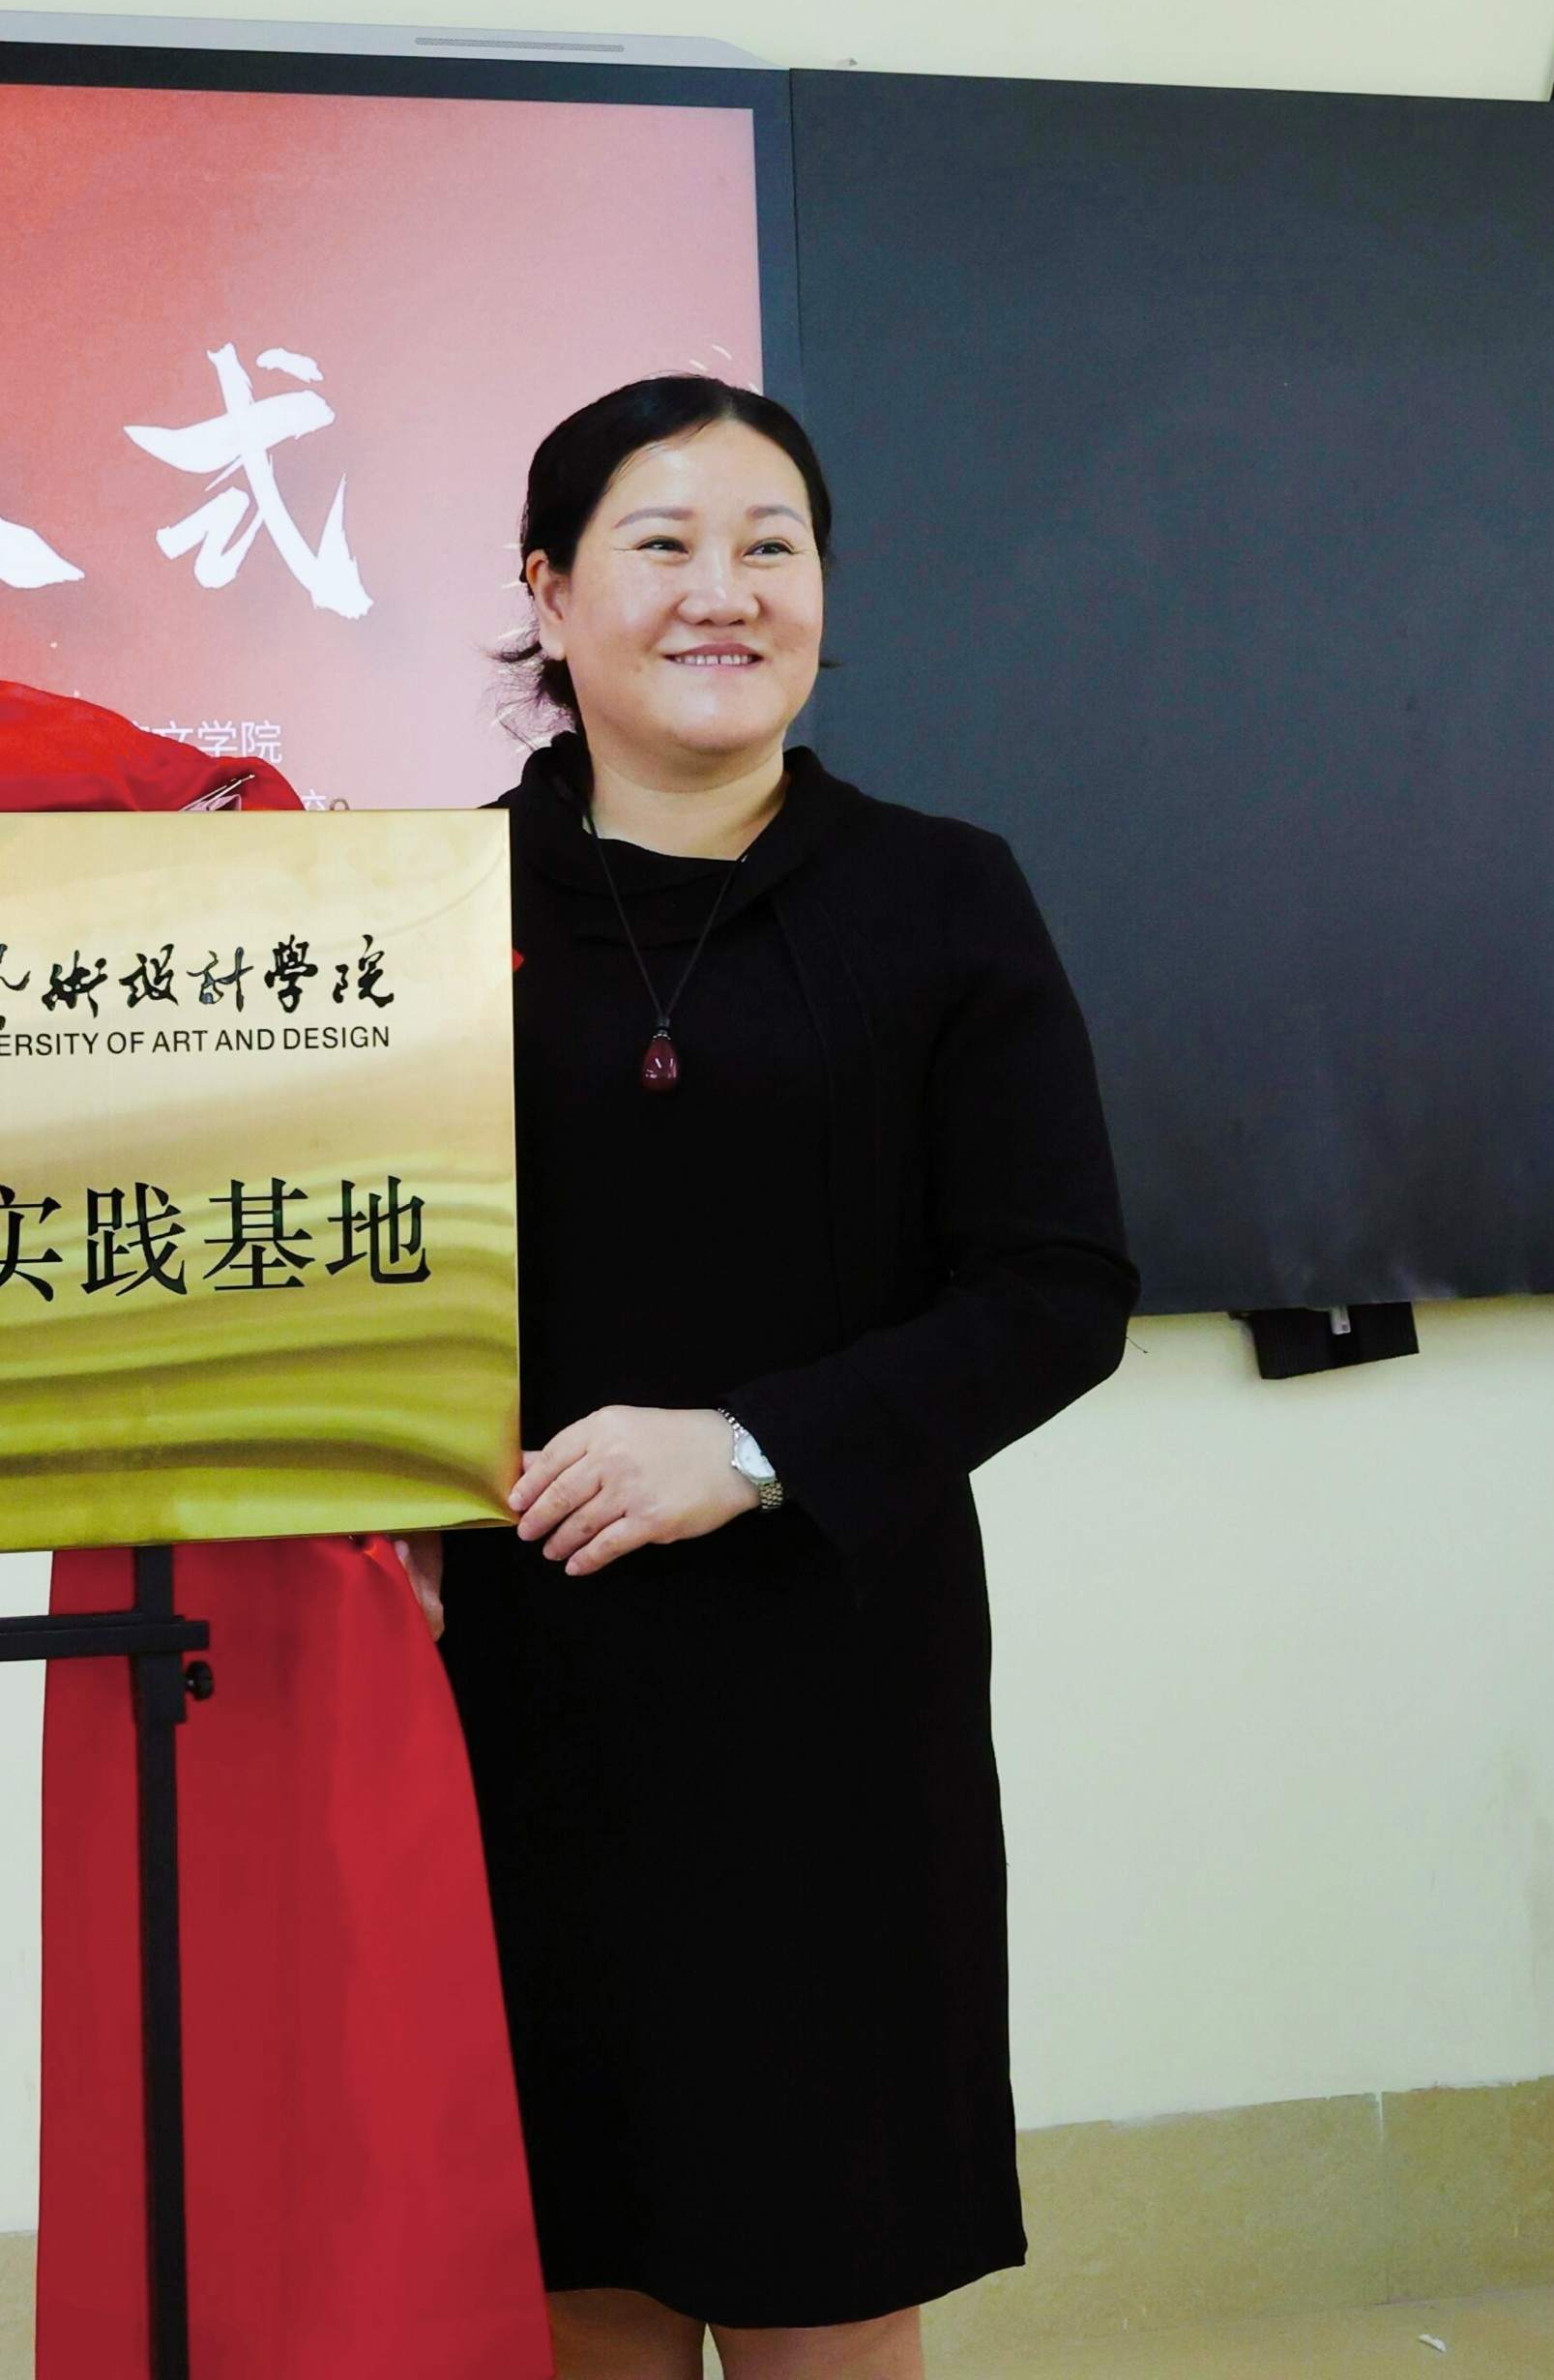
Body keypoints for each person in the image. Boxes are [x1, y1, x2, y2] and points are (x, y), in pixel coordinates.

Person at [435, 376, 1134, 2380]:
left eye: (772, 545)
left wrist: (748, 1446)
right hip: (511, 1676)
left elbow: (1058, 1286)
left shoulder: (942, 892)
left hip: (829, 1681)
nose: (722, 591)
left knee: (823, 2253)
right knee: (571, 2253)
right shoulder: (413, 908)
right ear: (550, 593)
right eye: (660, 543)